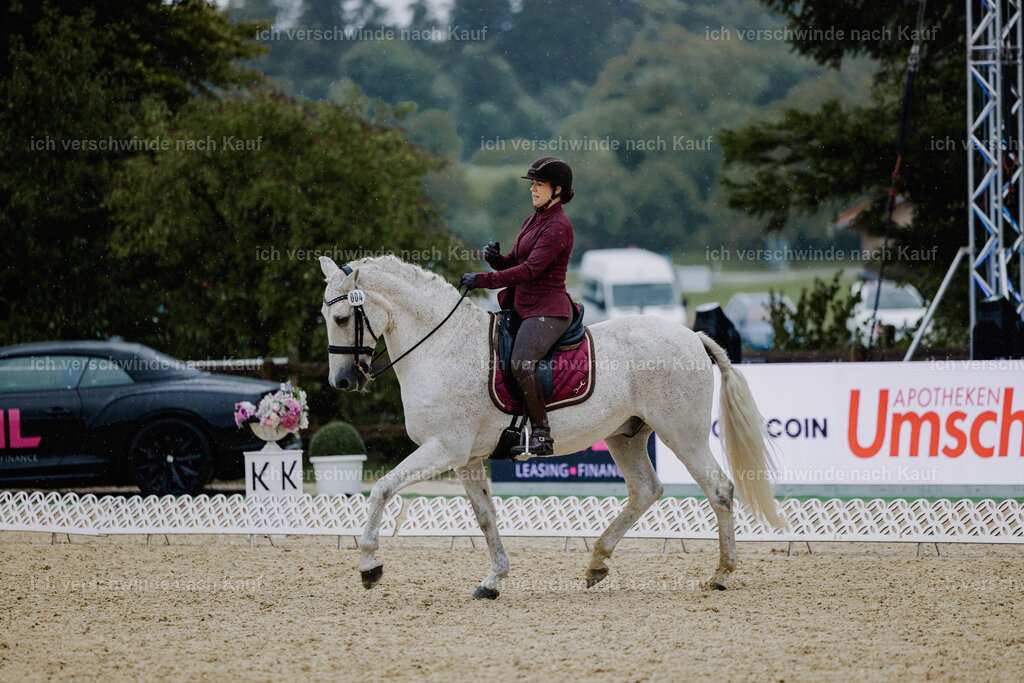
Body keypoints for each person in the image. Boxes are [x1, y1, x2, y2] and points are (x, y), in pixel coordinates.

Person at [459, 156, 575, 456]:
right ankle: (508, 426)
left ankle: (541, 433)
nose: (533, 190)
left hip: (548, 310)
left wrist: (484, 279)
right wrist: (497, 259)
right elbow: (516, 262)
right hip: (523, 307)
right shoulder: (534, 219)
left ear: (557, 190)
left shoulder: (558, 226)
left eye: (539, 185)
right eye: (533, 185)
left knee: (522, 363)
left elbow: (530, 271)